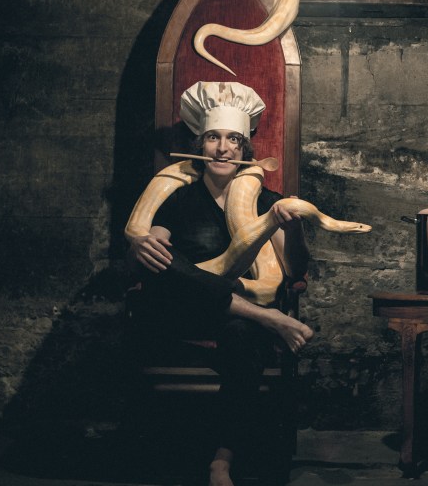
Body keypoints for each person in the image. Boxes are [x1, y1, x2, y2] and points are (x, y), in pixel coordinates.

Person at [125, 81, 313, 486]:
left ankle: (222, 459)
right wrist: (142, 244)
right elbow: (156, 247)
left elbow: (294, 269)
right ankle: (270, 319)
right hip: (184, 311)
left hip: (233, 317)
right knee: (166, 266)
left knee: (243, 335)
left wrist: (294, 229)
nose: (223, 148)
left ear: (245, 150)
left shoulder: (267, 201)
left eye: (233, 139)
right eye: (213, 138)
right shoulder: (179, 198)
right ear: (200, 145)